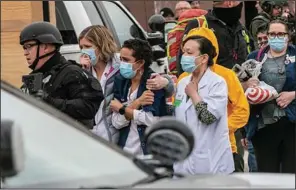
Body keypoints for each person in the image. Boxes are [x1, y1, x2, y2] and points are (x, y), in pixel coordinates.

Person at [78, 25, 175, 143]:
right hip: (89, 135)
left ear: (101, 45)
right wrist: (83, 72)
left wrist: (165, 80)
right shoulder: (81, 72)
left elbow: (151, 77)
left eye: (88, 46)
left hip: (115, 137)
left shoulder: (121, 66)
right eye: (81, 47)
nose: (84, 51)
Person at [177, 27, 249, 172]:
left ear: (205, 56)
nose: (184, 56)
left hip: (215, 152)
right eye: (184, 51)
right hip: (185, 156)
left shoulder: (221, 79)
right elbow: (177, 110)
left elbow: (240, 111)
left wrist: (222, 128)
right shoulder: (182, 81)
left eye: (189, 52)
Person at [20, 21, 104, 129]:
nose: (25, 52)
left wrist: (49, 101)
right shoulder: (38, 76)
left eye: (29, 46)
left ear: (46, 47)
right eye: (24, 48)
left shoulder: (72, 73)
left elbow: (88, 107)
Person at [243, 20, 296, 173]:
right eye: (272, 34)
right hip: (263, 124)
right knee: (267, 174)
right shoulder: (255, 57)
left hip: (291, 124)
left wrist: (293, 95)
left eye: (281, 34)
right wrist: (248, 85)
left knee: (290, 175)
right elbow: (240, 89)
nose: (276, 37)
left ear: (288, 36)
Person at [111, 39, 167, 155]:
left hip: (147, 152)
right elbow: (116, 122)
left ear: (140, 63)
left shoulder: (154, 83)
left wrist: (123, 109)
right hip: (124, 150)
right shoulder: (120, 81)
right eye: (120, 59)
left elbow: (153, 120)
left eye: (126, 60)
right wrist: (137, 103)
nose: (122, 64)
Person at [178, 1, 253, 74]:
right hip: (209, 85)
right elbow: (184, 63)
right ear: (229, 3)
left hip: (238, 84)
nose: (240, 4)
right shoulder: (199, 25)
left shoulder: (241, 28)